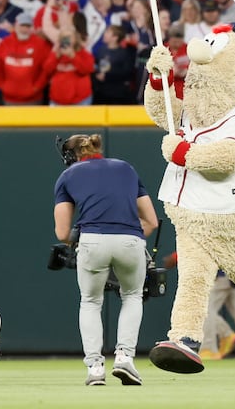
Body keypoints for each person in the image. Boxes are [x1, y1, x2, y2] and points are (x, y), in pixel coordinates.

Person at [53, 132, 158, 386]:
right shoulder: (126, 168)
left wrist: (87, 240)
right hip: (130, 241)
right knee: (132, 296)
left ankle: (95, 368)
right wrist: (127, 237)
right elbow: (151, 222)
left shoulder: (67, 176)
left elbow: (62, 233)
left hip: (92, 240)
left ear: (71, 156)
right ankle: (125, 359)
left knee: (90, 301)